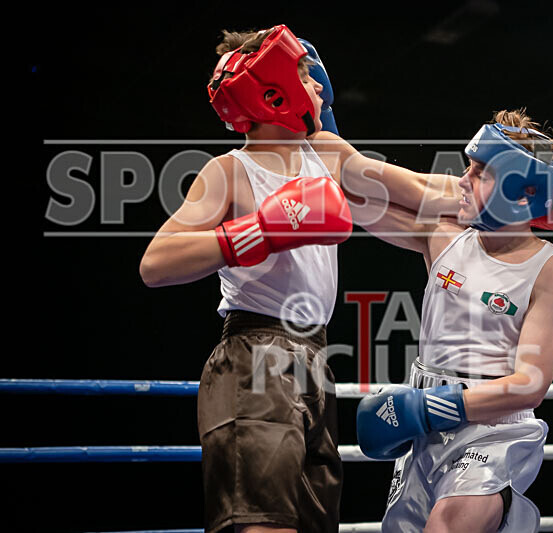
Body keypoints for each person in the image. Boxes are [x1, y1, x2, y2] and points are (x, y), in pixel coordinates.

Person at [138, 24, 473, 533]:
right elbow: (156, 263)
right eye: (304, 75)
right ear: (274, 92)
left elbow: (422, 191)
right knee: (264, 523)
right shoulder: (229, 171)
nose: (318, 85)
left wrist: (518, 198)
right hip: (253, 356)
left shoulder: (327, 154)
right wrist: (261, 230)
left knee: (315, 524)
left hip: (315, 360)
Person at [353, 109, 553, 532]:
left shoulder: (549, 270)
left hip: (490, 432)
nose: (462, 181)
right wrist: (313, 125)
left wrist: (429, 408)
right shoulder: (444, 236)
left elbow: (530, 384)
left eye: (480, 173)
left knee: (447, 527)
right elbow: (349, 192)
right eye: (467, 167)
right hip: (424, 430)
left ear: (519, 191)